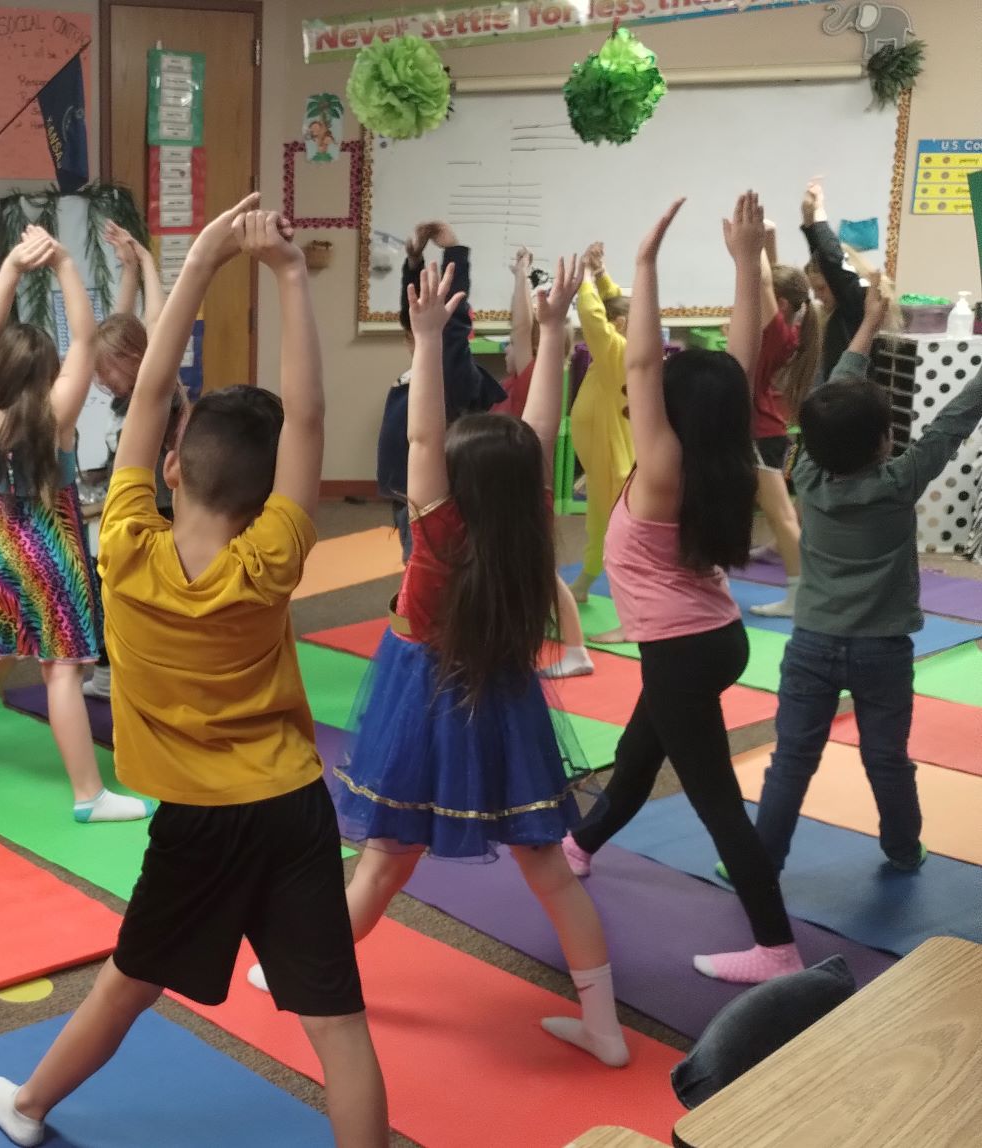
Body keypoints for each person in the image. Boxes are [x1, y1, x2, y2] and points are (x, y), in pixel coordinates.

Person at [0, 196, 387, 1148]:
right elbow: (310, 415)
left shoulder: (123, 542)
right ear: (270, 498)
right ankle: (27, 1105)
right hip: (287, 804)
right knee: (338, 1025)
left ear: (169, 470)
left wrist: (199, 261)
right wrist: (289, 273)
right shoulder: (272, 559)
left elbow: (152, 388)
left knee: (132, 976)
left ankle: (28, 1107)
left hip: (199, 820)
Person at [322, 254, 629, 1068]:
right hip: (503, 698)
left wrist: (427, 338)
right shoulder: (526, 519)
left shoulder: (436, 529)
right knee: (548, 867)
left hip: (423, 698)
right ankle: (605, 1028)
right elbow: (541, 434)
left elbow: (424, 432)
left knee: (383, 862)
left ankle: (309, 978)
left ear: (452, 479)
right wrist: (554, 332)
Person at [562, 193, 804, 985]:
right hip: (709, 639)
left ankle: (776, 950)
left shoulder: (663, 466)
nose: (650, 384)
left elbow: (639, 364)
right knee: (638, 756)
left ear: (672, 407)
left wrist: (643, 264)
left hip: (683, 650)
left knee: (716, 803)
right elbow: (738, 365)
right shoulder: (724, 450)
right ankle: (580, 845)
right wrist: (745, 261)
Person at [754, 275, 981, 872]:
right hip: (882, 651)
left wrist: (867, 326)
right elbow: (953, 422)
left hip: (812, 644)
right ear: (885, 441)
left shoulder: (806, 475)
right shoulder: (899, 481)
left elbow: (828, 395)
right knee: (886, 758)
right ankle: (903, 849)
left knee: (791, 757)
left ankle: (762, 858)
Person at [0, 225, 150, 825]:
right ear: (50, 373)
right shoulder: (59, 415)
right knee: (63, 670)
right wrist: (64, 262)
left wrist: (10, 268)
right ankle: (88, 796)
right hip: (53, 552)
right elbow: (85, 336)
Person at [84, 219, 184, 702]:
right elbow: (119, 328)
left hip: (157, 512)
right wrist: (126, 269)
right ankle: (114, 667)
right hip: (129, 508)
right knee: (111, 588)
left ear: (137, 359)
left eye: (108, 371)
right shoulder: (129, 387)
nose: (102, 381)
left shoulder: (155, 388)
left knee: (140, 593)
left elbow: (156, 325)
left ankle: (122, 673)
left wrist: (146, 261)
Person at [377, 221, 506, 562]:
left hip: (438, 500)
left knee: (432, 569)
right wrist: (414, 264)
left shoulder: (451, 378)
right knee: (418, 566)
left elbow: (451, 327)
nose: (414, 332)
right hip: (408, 496)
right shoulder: (418, 373)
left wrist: (454, 252)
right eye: (412, 330)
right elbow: (415, 310)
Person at [504, 247, 595, 679]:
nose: (510, 348)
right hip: (522, 483)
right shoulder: (532, 375)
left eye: (515, 346)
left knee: (541, 571)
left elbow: (520, 328)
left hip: (521, 487)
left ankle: (576, 650)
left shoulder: (530, 376)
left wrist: (520, 275)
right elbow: (522, 330)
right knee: (533, 570)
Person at [746, 224, 826, 619]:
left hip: (760, 434)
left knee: (781, 516)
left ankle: (798, 596)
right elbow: (771, 281)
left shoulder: (776, 333)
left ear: (777, 303)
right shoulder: (785, 327)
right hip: (761, 431)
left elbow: (763, 280)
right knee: (778, 514)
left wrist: (754, 242)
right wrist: (768, 240)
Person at [568, 241, 638, 625]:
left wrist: (585, 278)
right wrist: (601, 273)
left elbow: (594, 318)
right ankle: (584, 582)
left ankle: (632, 605)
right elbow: (613, 308)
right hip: (605, 460)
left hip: (614, 461)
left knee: (615, 531)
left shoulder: (619, 351)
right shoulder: (622, 344)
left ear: (619, 325)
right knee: (600, 525)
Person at [800, 177, 869, 385]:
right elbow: (824, 259)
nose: (817, 297)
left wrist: (819, 213)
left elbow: (833, 261)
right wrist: (809, 221)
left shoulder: (856, 301)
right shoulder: (840, 307)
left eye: (821, 289)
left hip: (848, 391)